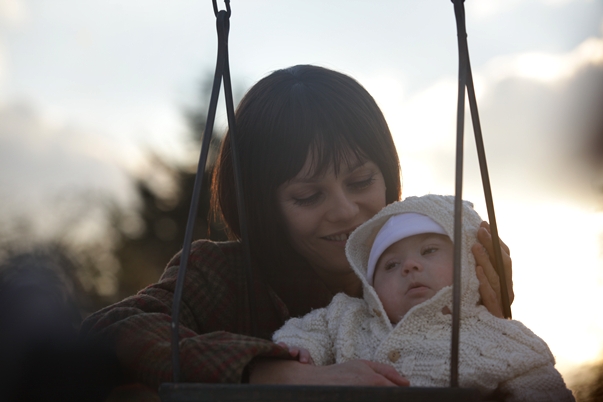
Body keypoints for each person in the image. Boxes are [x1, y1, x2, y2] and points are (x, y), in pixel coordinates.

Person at [80, 65, 513, 396]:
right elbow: (111, 331)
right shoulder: (222, 275)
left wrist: (489, 325)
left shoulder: (429, 269)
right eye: (309, 196)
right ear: (262, 207)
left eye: (361, 182)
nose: (345, 211)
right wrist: (276, 373)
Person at [273, 194, 574, 401]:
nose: (410, 265)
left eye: (429, 250)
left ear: (470, 262)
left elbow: (540, 385)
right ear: (370, 284)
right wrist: (300, 351)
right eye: (390, 265)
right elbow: (305, 331)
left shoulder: (497, 336)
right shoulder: (346, 316)